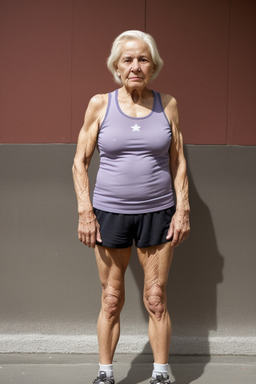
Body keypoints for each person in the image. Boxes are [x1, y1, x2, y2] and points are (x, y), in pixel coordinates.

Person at [72, 30, 190, 384]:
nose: (135, 66)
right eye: (128, 59)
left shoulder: (167, 104)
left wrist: (182, 209)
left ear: (153, 66)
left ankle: (161, 374)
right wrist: (85, 211)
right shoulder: (100, 104)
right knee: (111, 299)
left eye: (143, 59)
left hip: (158, 212)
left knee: (156, 298)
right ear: (116, 66)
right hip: (109, 213)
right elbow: (80, 161)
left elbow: (179, 160)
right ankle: (106, 374)